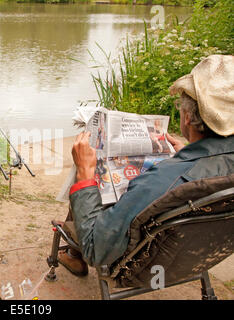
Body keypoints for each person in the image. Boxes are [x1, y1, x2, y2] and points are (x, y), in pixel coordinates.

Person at [57, 55, 234, 277]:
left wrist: (84, 173)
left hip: (138, 266)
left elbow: (96, 250)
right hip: (197, 252)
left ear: (188, 117)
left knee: (90, 185)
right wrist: (191, 154)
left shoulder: (160, 181)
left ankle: (74, 255)